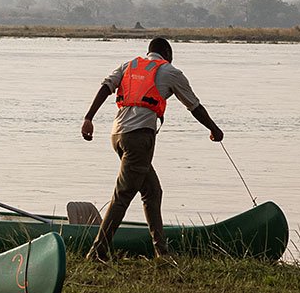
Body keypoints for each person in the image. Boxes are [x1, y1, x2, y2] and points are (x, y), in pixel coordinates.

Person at [78, 36, 225, 261]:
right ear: (166, 52)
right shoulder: (170, 72)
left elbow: (106, 87)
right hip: (139, 139)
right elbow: (194, 106)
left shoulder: (130, 65)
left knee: (152, 191)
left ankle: (162, 252)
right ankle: (97, 251)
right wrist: (215, 129)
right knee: (123, 195)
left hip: (117, 135)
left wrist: (89, 118)